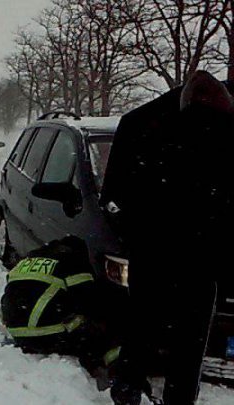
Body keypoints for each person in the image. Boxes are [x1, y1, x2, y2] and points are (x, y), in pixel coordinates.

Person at [101, 71, 234, 405]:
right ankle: (131, 386)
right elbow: (113, 197)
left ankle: (159, 391)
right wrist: (139, 238)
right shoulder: (143, 125)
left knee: (175, 335)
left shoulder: (221, 125)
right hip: (159, 250)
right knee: (152, 325)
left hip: (197, 256)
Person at [0, 237, 121, 389]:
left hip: (16, 330)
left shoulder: (28, 260)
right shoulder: (72, 263)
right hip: (47, 335)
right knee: (101, 332)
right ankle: (117, 373)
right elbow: (90, 301)